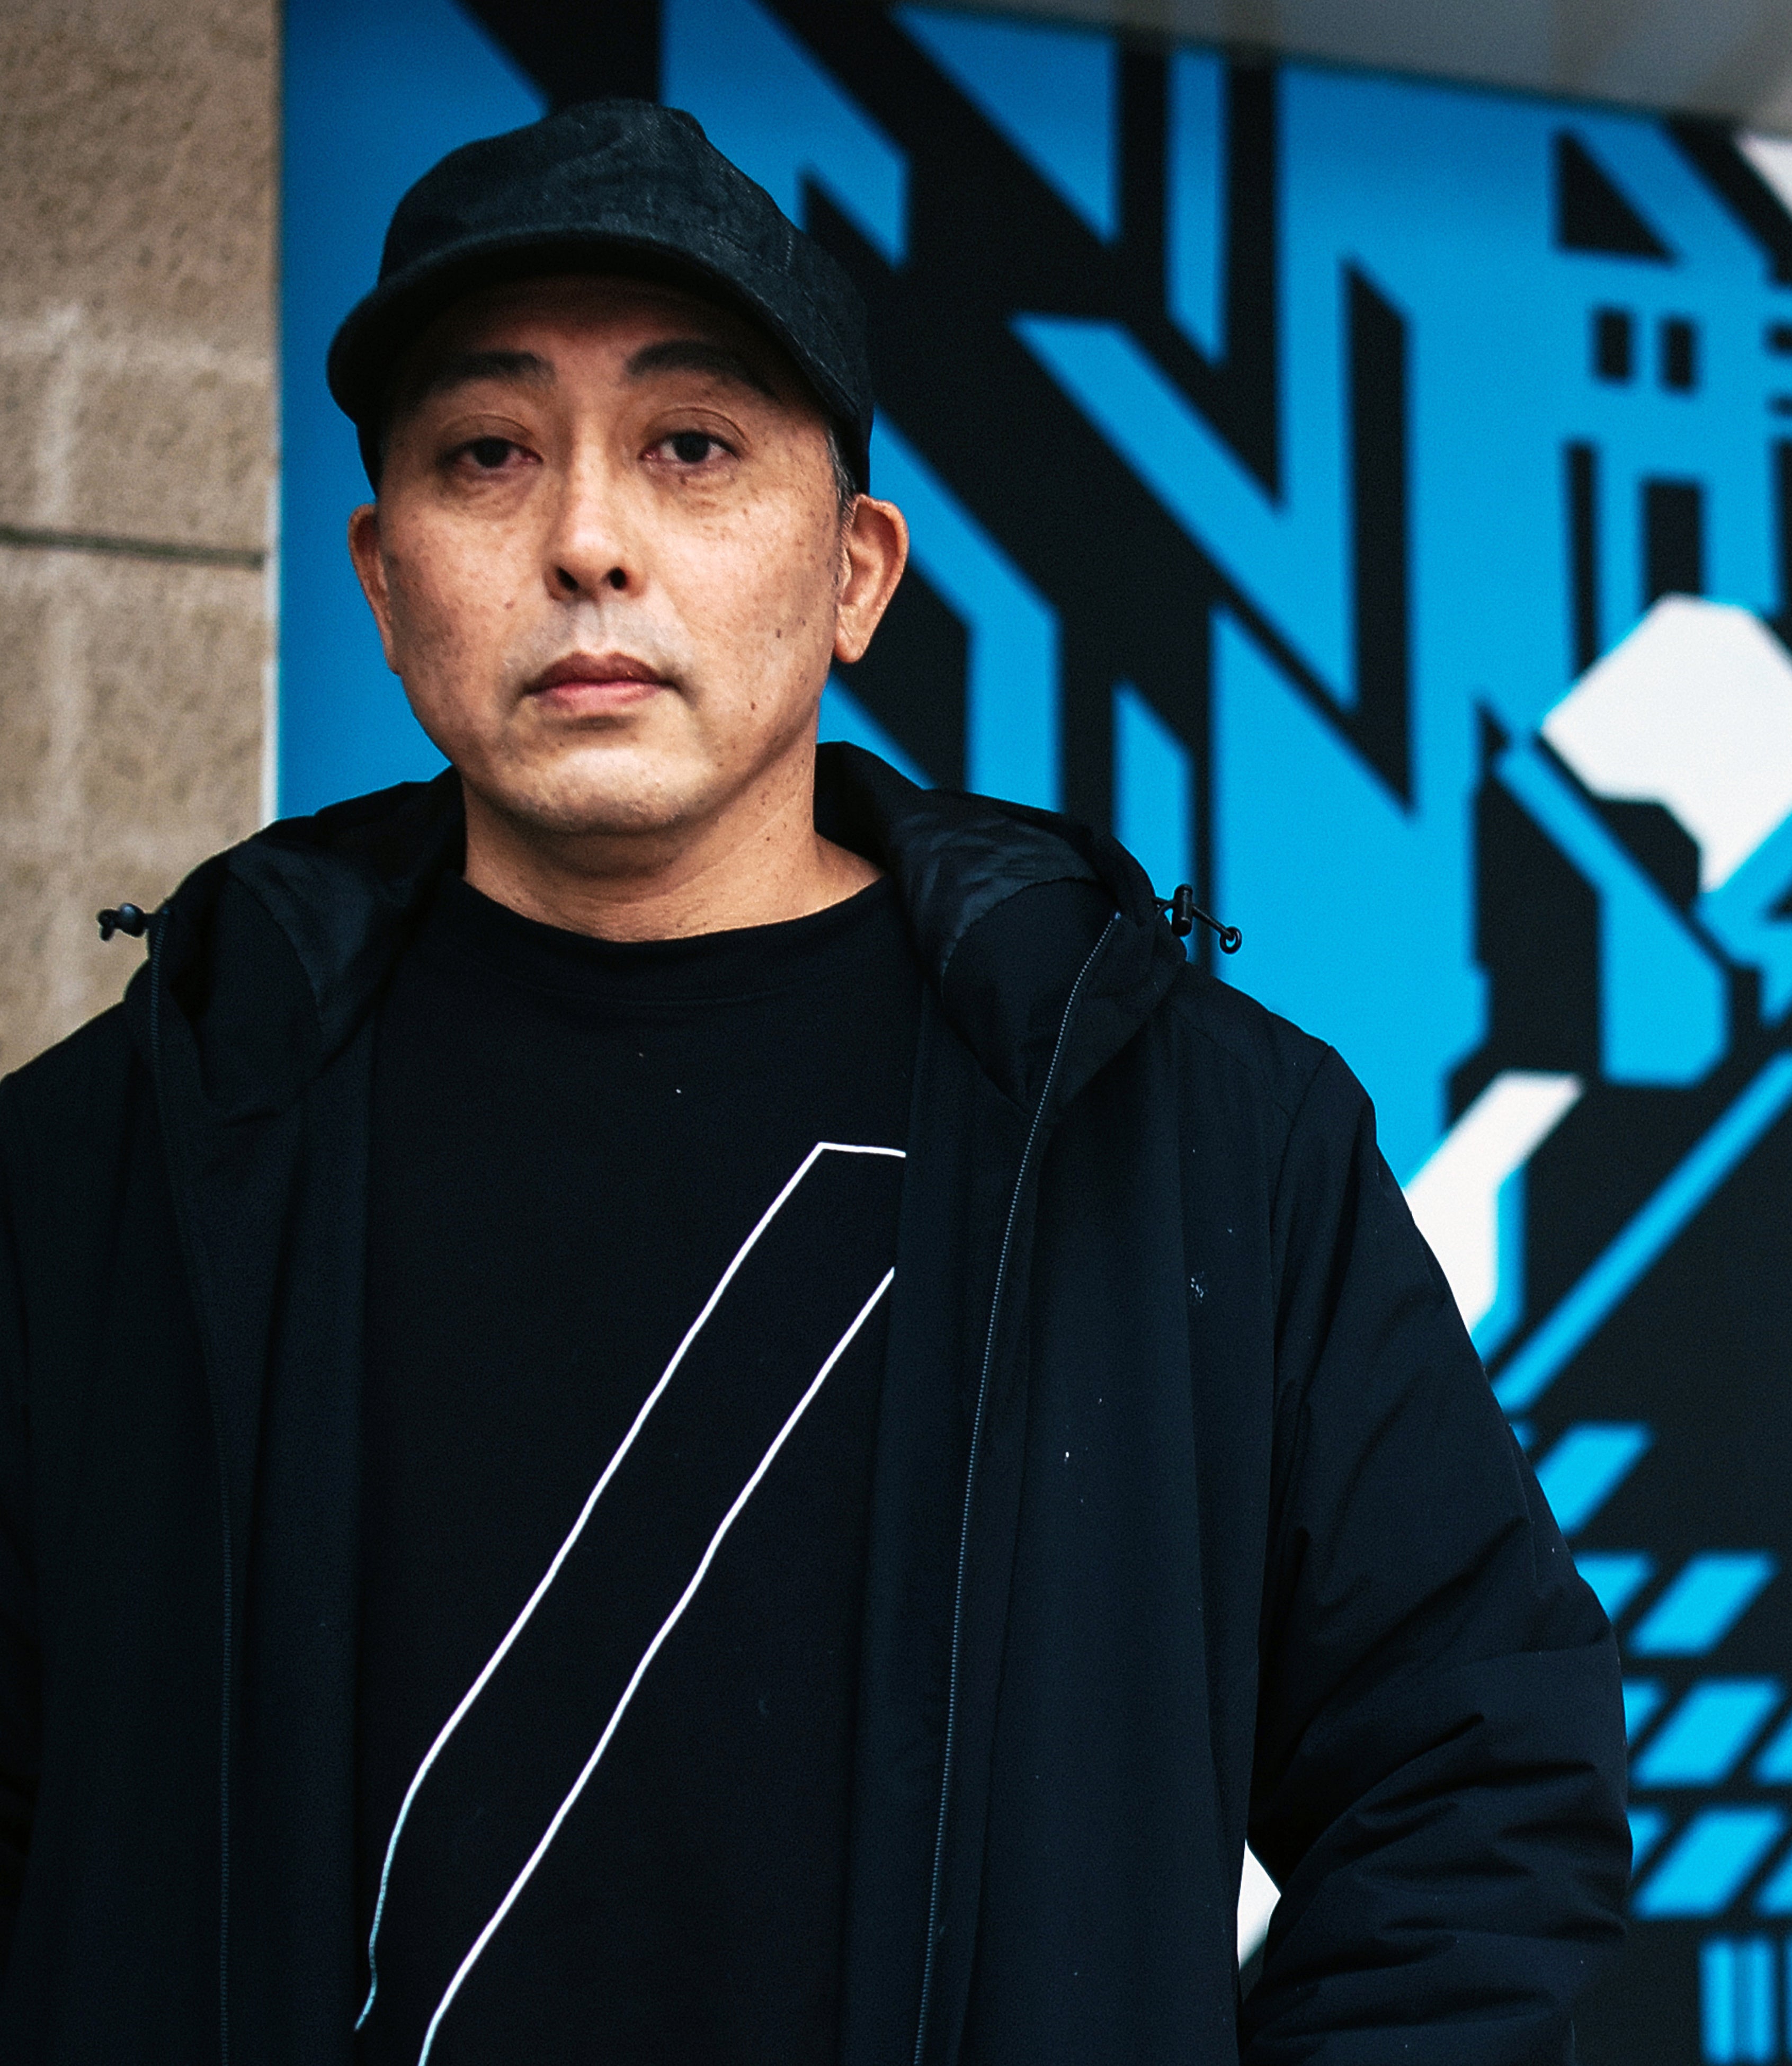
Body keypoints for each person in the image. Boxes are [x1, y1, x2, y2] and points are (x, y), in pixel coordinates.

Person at [0, 99, 1626, 2065]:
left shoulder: (1194, 1140)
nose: (584, 539)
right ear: (383, 575)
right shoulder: (119, 1160)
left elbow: (1475, 1784)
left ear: (855, 572)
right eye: (486, 453)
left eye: (691, 446)